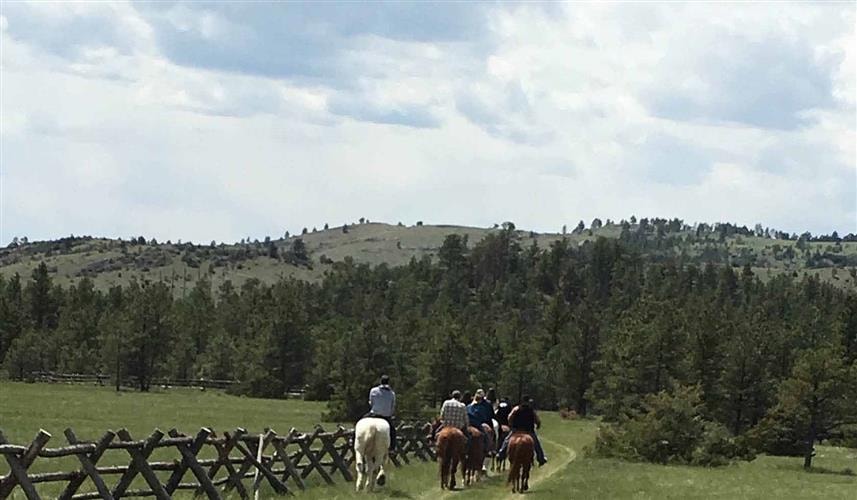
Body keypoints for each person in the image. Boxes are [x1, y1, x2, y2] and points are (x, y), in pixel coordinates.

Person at [496, 396, 547, 466]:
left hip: (516, 430)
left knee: (507, 440)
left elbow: (509, 417)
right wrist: (538, 425)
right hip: (528, 431)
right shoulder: (531, 410)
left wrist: (511, 425)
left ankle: (501, 453)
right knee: (536, 443)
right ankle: (541, 458)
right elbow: (537, 420)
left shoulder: (516, 409)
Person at [367, 374, 397, 450]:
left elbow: (371, 403)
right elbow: (392, 407)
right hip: (386, 416)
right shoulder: (392, 393)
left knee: (359, 422)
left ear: (380, 381)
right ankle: (392, 448)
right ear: (388, 382)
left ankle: (353, 440)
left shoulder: (373, 390)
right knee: (393, 432)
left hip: (374, 414)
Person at [466, 389, 495, 456]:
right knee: (486, 434)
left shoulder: (469, 405)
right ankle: (489, 448)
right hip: (479, 423)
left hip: (469, 423)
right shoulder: (483, 406)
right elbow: (487, 416)